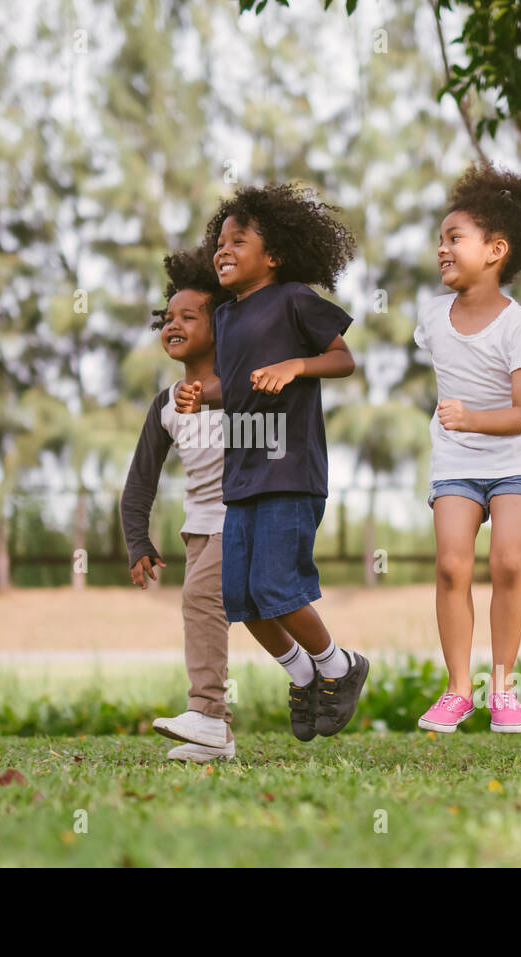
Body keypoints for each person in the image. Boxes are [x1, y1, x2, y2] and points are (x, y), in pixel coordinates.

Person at [179, 183, 367, 743]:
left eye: (240, 240)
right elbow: (234, 385)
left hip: (289, 471)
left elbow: (343, 359)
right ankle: (304, 672)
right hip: (242, 479)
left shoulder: (293, 299)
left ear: (274, 255)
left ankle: (340, 666)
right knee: (242, 597)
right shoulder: (229, 319)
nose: (224, 249)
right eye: (220, 241)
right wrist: (202, 394)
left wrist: (295, 366)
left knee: (277, 586)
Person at [413, 161, 521, 735]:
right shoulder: (432, 317)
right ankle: (458, 692)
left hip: (517, 456)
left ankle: (503, 689)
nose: (443, 250)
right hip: (457, 457)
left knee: (507, 563)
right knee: (452, 566)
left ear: (495, 249)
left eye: (455, 239)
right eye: (441, 241)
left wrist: (470, 417)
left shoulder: (518, 325)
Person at [120, 248, 235, 762]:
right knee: (212, 609)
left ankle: (208, 713)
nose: (174, 324)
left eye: (190, 316)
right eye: (168, 318)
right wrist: (138, 540)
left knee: (200, 602)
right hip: (200, 527)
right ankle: (218, 739)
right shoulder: (166, 404)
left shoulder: (243, 385)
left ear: (221, 324)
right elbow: (140, 480)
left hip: (244, 516)